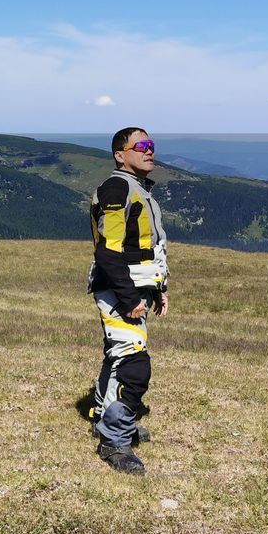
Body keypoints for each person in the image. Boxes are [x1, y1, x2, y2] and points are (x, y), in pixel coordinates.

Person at [87, 127, 169, 475]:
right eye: (141, 146)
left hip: (135, 286)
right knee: (134, 365)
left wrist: (158, 287)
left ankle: (102, 416)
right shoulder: (118, 187)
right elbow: (109, 249)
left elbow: (144, 247)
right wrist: (128, 296)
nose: (149, 151)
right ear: (120, 154)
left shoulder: (136, 188)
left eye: (151, 146)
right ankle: (114, 440)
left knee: (118, 355)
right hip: (120, 288)